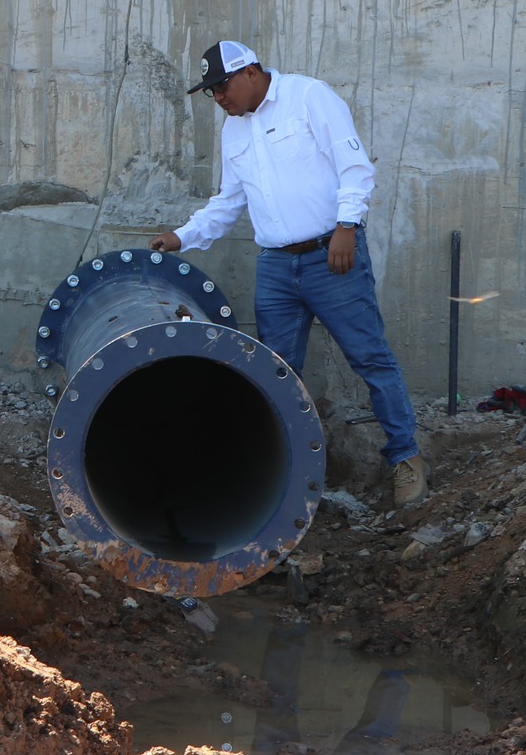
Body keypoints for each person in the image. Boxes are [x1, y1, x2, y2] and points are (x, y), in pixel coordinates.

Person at [148, 40, 427, 509]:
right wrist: (183, 237)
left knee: (371, 360)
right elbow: (229, 200)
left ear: (252, 72)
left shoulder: (309, 97)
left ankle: (406, 459)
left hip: (330, 256)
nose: (218, 98)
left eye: (222, 86)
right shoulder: (233, 132)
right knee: (274, 372)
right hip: (276, 266)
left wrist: (346, 226)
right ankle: (280, 474)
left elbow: (355, 168)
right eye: (210, 92)